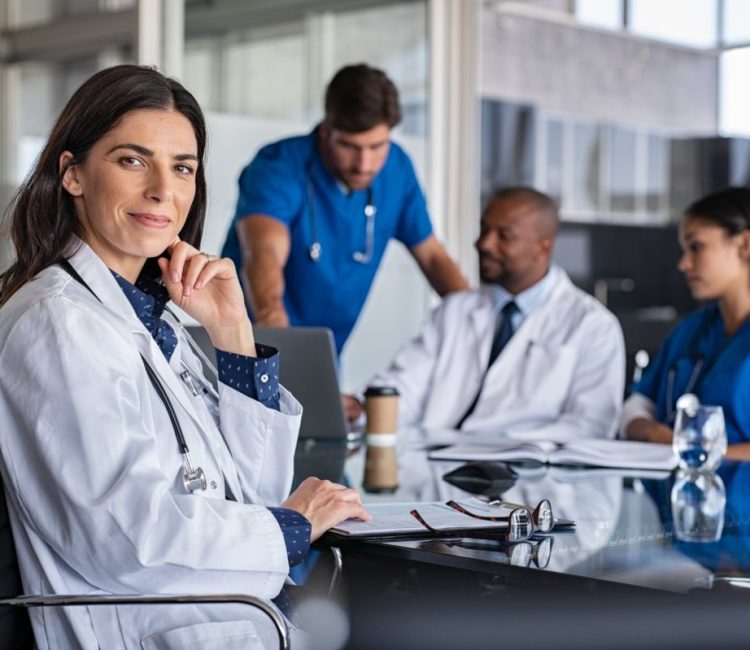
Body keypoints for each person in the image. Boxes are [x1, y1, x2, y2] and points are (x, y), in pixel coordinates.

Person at [0, 64, 369, 650]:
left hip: (230, 617)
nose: (162, 192)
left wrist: (233, 334)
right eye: (132, 160)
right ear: (72, 174)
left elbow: (253, 491)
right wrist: (293, 526)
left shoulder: (156, 315)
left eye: (182, 168)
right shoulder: (57, 323)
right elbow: (127, 541)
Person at [220, 63, 468, 355]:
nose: (364, 164)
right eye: (350, 146)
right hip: (253, 341)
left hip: (324, 351)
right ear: (326, 131)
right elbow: (263, 251)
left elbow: (433, 258)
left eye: (377, 146)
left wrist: (480, 322)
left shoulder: (397, 169)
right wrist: (273, 321)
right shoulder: (279, 165)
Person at [347, 187, 625, 438]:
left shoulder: (592, 325)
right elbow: (404, 388)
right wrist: (359, 409)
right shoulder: (455, 310)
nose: (484, 244)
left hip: (533, 483)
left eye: (504, 236)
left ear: (544, 247)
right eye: (484, 230)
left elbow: (590, 425)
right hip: (438, 477)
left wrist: (503, 445)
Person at [623, 187, 750, 460]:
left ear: (744, 246)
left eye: (696, 247)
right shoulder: (691, 330)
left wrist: (696, 452)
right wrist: (650, 432)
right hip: (675, 492)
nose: (684, 264)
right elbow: (636, 406)